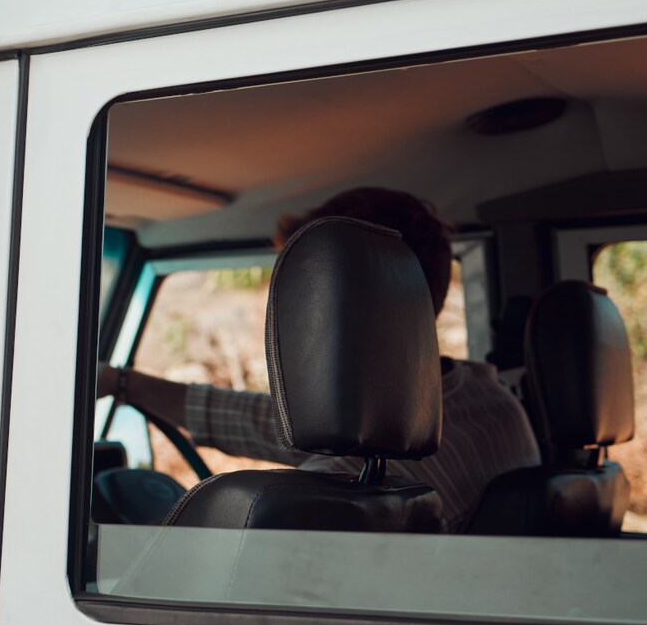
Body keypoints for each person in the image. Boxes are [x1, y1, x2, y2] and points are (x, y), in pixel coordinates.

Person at [96, 187, 539, 532]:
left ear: (338, 306)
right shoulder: (489, 401)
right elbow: (264, 420)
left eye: (302, 292)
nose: (280, 320)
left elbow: (179, 562)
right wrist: (124, 383)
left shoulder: (363, 488)